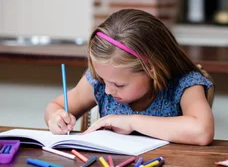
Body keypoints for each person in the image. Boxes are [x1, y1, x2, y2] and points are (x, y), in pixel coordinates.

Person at [44, 9, 214, 145]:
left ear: (152, 70)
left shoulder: (185, 84)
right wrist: (56, 117)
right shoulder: (99, 81)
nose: (108, 90)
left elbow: (202, 131)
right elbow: (56, 105)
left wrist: (131, 122)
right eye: (104, 81)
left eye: (119, 84)